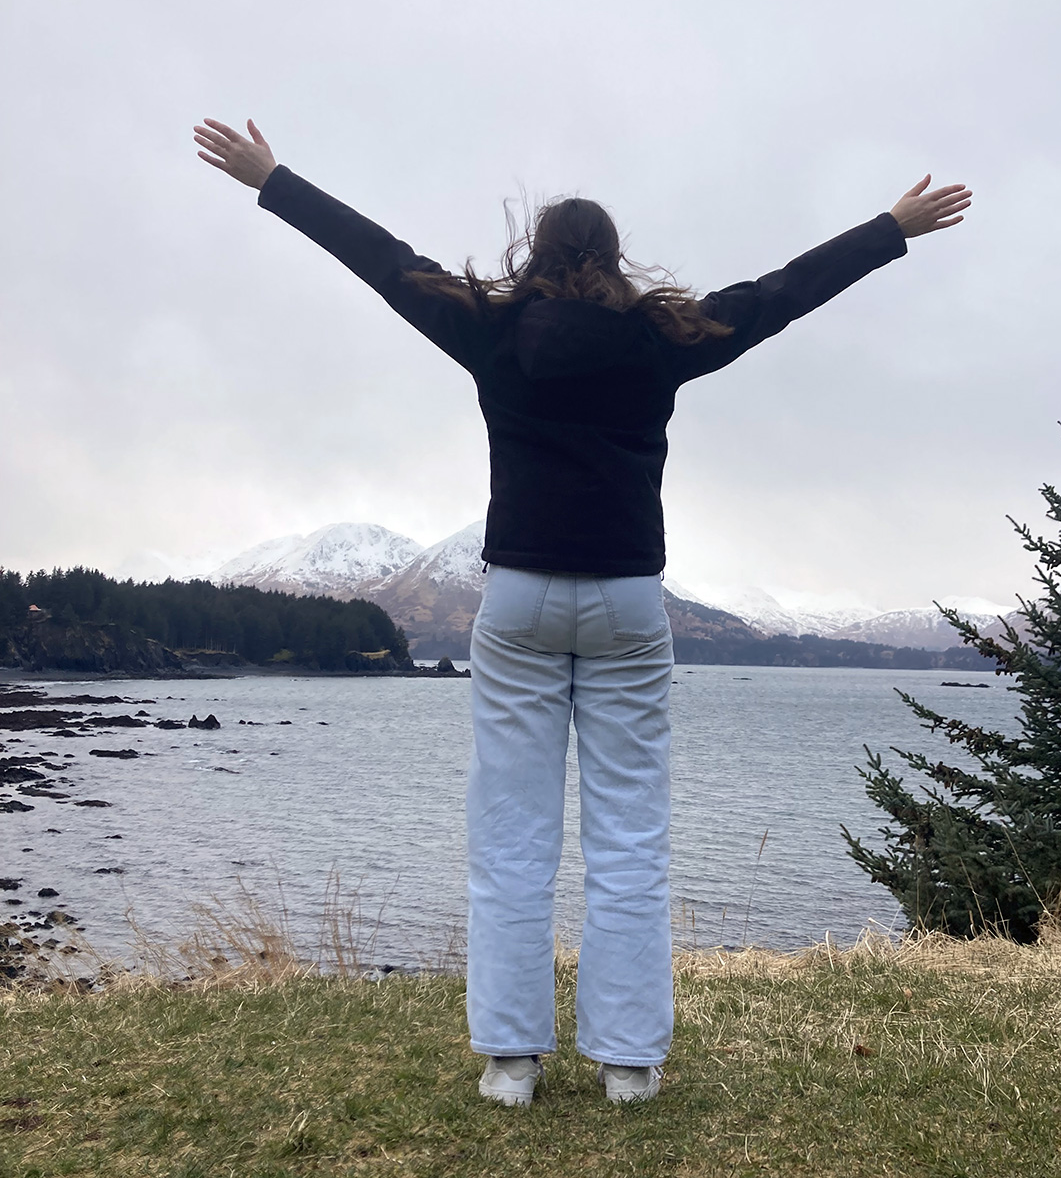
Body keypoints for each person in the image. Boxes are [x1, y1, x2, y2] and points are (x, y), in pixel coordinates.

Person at [195, 116, 971, 1106]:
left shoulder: (491, 326)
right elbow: (779, 297)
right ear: (612, 259)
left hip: (518, 599)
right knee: (630, 834)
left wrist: (275, 180)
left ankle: (512, 1062)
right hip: (628, 603)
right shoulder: (665, 338)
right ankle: (629, 1065)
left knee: (512, 834)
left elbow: (384, 263)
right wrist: (891, 227)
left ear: (536, 253)